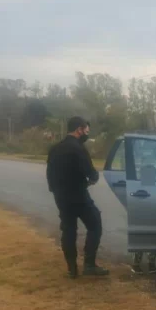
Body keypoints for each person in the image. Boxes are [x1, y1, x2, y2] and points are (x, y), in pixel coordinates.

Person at [46, 116, 109, 279]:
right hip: (79, 196)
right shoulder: (78, 149)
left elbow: (49, 174)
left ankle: (72, 269)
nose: (87, 134)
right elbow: (91, 172)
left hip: (61, 197)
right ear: (79, 129)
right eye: (86, 130)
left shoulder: (55, 148)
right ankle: (89, 264)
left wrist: (55, 191)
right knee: (95, 224)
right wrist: (93, 179)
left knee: (68, 230)